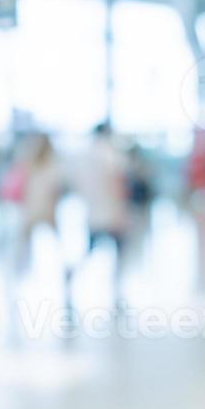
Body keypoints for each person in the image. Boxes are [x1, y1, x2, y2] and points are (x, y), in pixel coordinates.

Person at [78, 122, 131, 310]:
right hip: (110, 213)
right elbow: (117, 186)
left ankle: (71, 276)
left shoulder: (85, 156)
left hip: (92, 214)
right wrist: (120, 213)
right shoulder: (111, 154)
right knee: (119, 254)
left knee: (89, 251)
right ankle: (117, 294)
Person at [15, 133, 64, 274]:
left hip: (32, 208)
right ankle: (63, 267)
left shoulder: (30, 164)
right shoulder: (52, 166)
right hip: (46, 208)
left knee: (25, 240)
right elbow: (56, 190)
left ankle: (21, 267)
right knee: (55, 239)